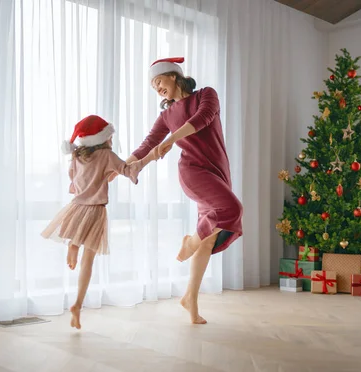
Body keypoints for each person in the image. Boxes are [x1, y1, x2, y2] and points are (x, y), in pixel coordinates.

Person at [111, 57, 243, 324]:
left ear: (173, 76)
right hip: (193, 171)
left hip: (218, 170)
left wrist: (172, 139)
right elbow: (147, 145)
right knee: (231, 209)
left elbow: (203, 118)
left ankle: (190, 300)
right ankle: (189, 243)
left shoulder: (206, 95)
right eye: (153, 86)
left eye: (158, 81)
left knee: (209, 238)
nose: (157, 88)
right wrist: (116, 169)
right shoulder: (166, 116)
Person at [42, 115, 157, 330]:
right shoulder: (107, 155)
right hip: (95, 212)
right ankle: (77, 304)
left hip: (77, 208)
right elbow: (128, 170)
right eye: (110, 136)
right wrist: (151, 157)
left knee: (81, 248)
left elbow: (75, 182)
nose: (112, 140)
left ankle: (73, 245)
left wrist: (101, 176)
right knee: (88, 262)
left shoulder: (77, 157)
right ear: (103, 138)